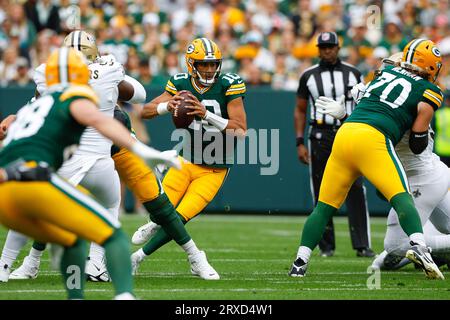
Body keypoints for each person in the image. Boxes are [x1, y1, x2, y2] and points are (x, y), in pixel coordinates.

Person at [0, 30, 215, 283]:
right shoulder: (107, 70)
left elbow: (40, 103)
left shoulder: (50, 75)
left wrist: (16, 116)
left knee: (154, 203)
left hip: (109, 144)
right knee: (104, 203)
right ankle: (65, 261)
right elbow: (137, 94)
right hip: (105, 143)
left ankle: (193, 256)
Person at [288, 38, 445, 280]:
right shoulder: (429, 91)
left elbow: (366, 94)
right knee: (401, 199)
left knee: (324, 207)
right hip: (375, 141)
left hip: (345, 135)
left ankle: (299, 262)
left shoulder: (382, 75)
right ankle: (420, 247)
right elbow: (416, 142)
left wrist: (344, 111)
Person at [131, 37, 247, 278]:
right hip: (186, 160)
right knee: (161, 212)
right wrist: (167, 106)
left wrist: (207, 115)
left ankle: (138, 257)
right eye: (203, 64)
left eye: (213, 64)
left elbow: (241, 130)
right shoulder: (181, 82)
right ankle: (155, 223)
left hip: (215, 168)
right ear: (191, 64)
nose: (209, 69)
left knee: (179, 218)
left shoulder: (229, 84)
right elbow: (144, 111)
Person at [294, 31, 374, 257]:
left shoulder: (353, 73)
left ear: (338, 48)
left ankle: (362, 244)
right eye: (323, 47)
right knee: (321, 190)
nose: (327, 51)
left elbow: (363, 104)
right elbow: (300, 110)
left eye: (331, 47)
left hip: (347, 132)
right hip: (319, 134)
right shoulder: (308, 75)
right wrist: (299, 141)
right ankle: (326, 246)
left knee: (356, 188)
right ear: (318, 50)